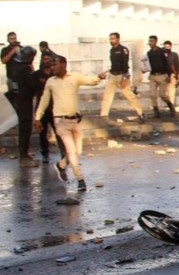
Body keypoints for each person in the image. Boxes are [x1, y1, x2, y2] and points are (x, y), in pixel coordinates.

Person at [34, 55, 107, 201]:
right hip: (60, 121)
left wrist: (99, 77)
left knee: (77, 151)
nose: (52, 67)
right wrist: (37, 117)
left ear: (63, 64)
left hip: (75, 120)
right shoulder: (51, 82)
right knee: (71, 151)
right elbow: (44, 100)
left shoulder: (74, 77)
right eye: (51, 65)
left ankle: (61, 165)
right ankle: (80, 180)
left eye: (55, 64)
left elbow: (90, 81)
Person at [100, 32, 145, 122]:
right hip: (112, 76)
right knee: (107, 96)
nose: (111, 40)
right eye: (110, 39)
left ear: (118, 39)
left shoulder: (123, 50)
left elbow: (125, 65)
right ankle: (104, 116)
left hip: (122, 76)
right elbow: (114, 64)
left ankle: (141, 113)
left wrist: (125, 78)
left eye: (113, 39)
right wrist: (106, 71)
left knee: (130, 96)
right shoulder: (112, 50)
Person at [6, 45, 38, 167]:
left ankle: (24, 155)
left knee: (23, 130)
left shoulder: (15, 67)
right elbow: (33, 85)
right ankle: (24, 157)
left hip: (17, 101)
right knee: (25, 130)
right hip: (24, 102)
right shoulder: (25, 69)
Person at [31, 53, 66, 164]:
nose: (46, 61)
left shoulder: (55, 74)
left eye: (49, 59)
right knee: (42, 132)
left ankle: (64, 154)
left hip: (55, 107)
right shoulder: (37, 74)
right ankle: (45, 153)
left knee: (58, 131)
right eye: (44, 59)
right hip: (42, 107)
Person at [143, 35, 176, 118]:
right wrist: (144, 69)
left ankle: (171, 106)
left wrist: (169, 75)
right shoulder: (149, 53)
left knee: (162, 95)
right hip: (153, 76)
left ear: (156, 42)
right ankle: (156, 112)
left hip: (162, 76)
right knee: (152, 95)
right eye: (149, 41)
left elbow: (167, 64)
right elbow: (148, 65)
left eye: (152, 41)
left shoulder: (162, 52)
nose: (150, 43)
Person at [163, 41, 179, 105]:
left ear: (171, 47)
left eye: (168, 47)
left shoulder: (174, 55)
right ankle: (168, 104)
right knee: (165, 91)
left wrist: (178, 77)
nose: (167, 48)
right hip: (164, 74)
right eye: (165, 47)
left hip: (172, 74)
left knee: (171, 90)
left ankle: (171, 104)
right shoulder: (162, 55)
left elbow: (177, 66)